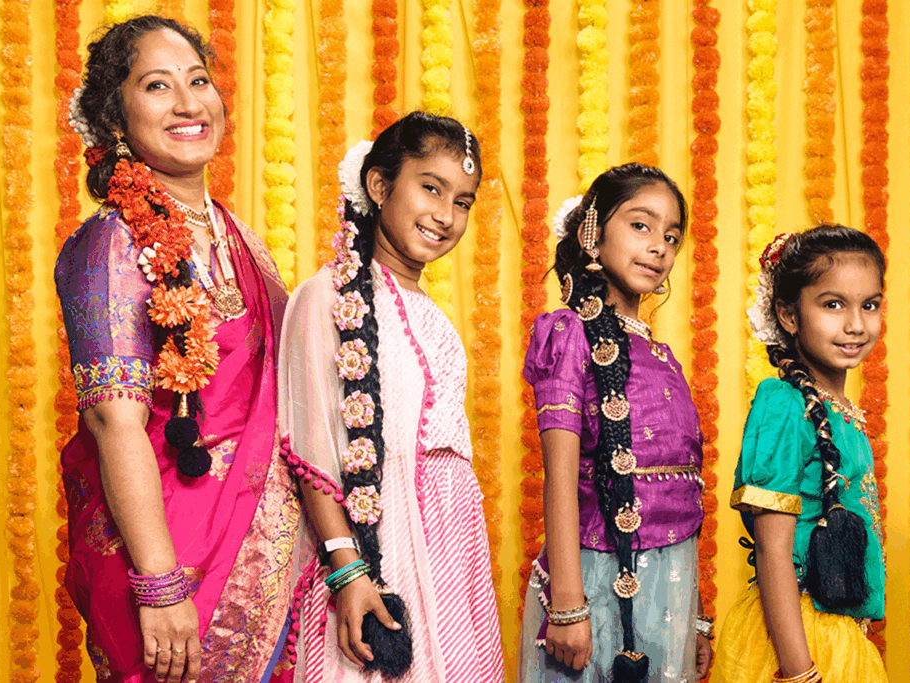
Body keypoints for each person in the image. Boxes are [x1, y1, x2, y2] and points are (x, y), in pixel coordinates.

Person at [55, 16, 297, 683]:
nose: (191, 103)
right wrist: (159, 584)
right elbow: (114, 419)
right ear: (114, 119)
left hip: (268, 549)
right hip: (165, 556)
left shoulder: (242, 238)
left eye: (199, 80)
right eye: (158, 86)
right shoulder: (109, 245)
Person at [276, 111, 504, 683]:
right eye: (431, 188)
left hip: (453, 557)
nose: (446, 216)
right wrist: (349, 574)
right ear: (379, 187)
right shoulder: (323, 298)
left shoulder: (437, 321)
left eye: (463, 201)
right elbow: (310, 452)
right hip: (378, 556)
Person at [518, 163, 714, 683]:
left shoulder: (663, 355)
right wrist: (566, 604)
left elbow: (685, 496)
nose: (659, 247)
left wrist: (693, 614)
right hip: (593, 581)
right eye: (641, 225)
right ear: (592, 231)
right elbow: (558, 475)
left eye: (671, 236)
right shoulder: (568, 332)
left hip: (669, 583)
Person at [710, 226, 888, 683]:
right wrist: (799, 672)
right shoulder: (783, 405)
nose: (856, 324)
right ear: (789, 315)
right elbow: (774, 552)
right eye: (833, 305)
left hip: (842, 639)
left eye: (869, 305)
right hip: (797, 643)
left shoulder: (842, 411)